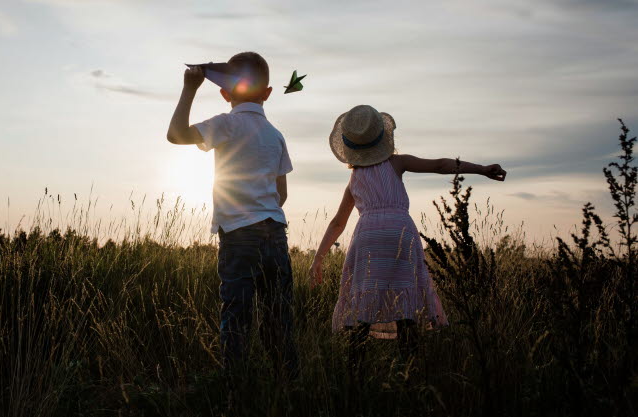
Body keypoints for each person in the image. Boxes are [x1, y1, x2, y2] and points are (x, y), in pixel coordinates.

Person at [309, 105, 506, 371]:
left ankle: (354, 375)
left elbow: (337, 222)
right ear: (383, 137)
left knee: (364, 305)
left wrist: (317, 259)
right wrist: (481, 169)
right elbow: (439, 165)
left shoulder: (354, 179)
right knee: (406, 308)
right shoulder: (396, 163)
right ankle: (409, 371)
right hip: (400, 233)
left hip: (367, 238)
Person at [167, 52, 297, 381]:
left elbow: (175, 134)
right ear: (267, 93)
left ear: (225, 94)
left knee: (237, 318)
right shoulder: (276, 135)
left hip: (239, 236)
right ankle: (287, 386)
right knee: (278, 317)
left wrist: (190, 88)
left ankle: (235, 391)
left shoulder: (226, 124)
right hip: (276, 234)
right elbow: (281, 195)